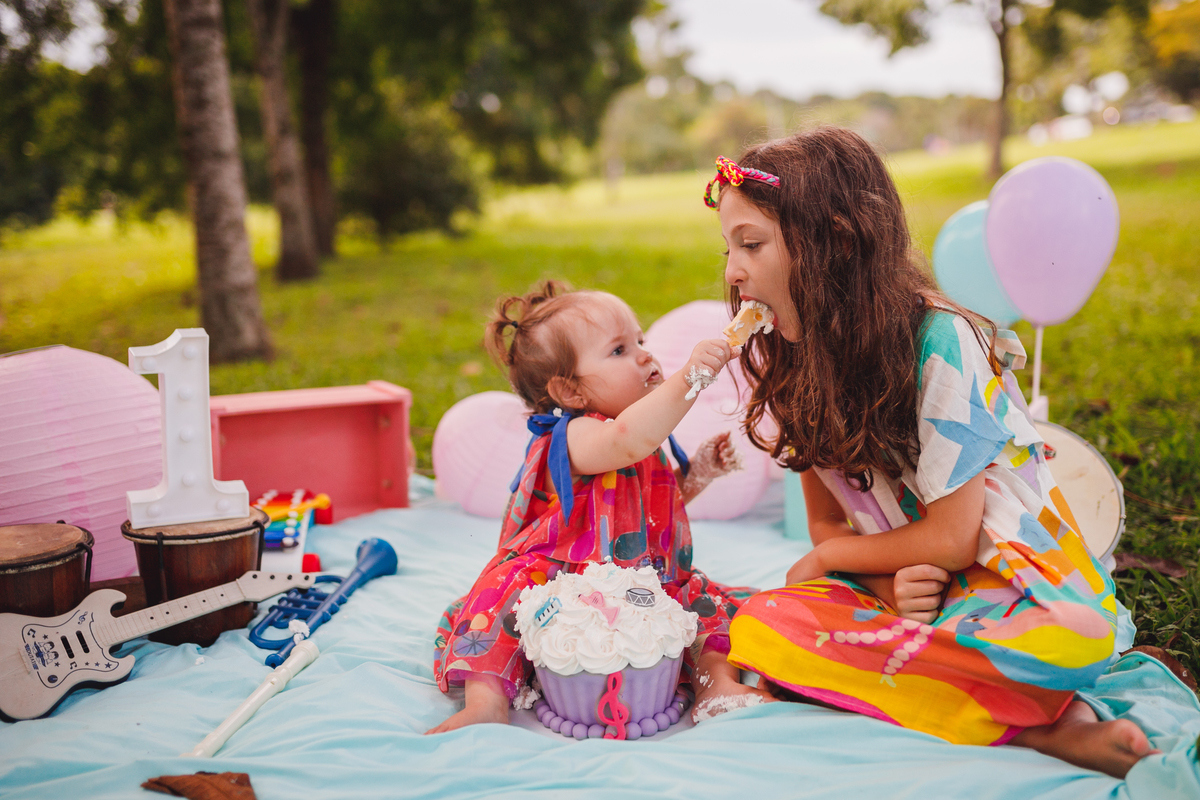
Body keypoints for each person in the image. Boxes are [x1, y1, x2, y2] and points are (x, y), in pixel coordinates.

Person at [708, 129, 1157, 778]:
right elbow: (826, 521)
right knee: (761, 623)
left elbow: (951, 538)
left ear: (837, 241)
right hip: (898, 586)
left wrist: (833, 561)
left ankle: (1007, 709)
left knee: (1071, 635)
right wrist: (884, 586)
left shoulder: (938, 339)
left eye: (751, 245)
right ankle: (1040, 726)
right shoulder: (789, 366)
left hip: (1003, 572)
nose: (732, 271)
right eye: (728, 248)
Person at [426, 282, 770, 734]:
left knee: (704, 604)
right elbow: (627, 440)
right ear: (569, 392)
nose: (645, 355)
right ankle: (486, 701)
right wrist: (690, 377)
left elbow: (651, 511)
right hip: (561, 582)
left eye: (641, 340)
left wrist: (698, 473)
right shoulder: (579, 435)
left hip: (642, 579)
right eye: (620, 350)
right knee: (498, 598)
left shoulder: (638, 440)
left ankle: (715, 685)